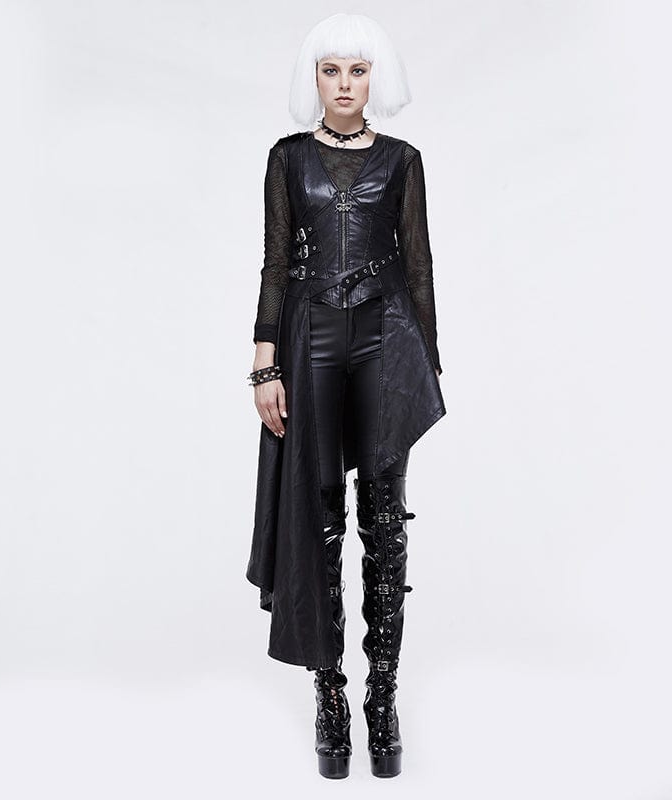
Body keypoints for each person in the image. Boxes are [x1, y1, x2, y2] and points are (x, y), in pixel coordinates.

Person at [245, 13, 447, 780]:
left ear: (374, 79)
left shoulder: (402, 161)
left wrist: (426, 364)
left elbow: (419, 263)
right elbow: (274, 261)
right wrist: (264, 363)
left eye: (357, 71)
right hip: (311, 340)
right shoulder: (287, 158)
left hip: (386, 339)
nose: (343, 84)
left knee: (385, 521)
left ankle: (381, 698)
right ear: (315, 79)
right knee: (320, 516)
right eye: (331, 70)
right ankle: (329, 696)